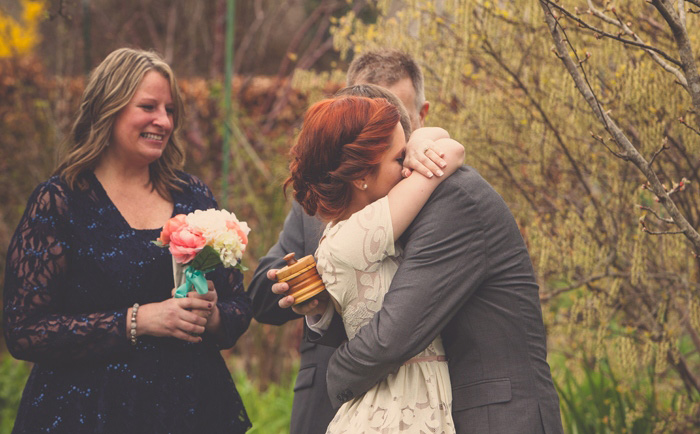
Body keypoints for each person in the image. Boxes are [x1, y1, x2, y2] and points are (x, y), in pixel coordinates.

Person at [3, 48, 252, 433]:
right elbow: (25, 330)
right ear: (109, 109)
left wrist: (212, 315)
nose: (163, 121)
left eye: (170, 110)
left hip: (186, 410)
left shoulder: (193, 196)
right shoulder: (61, 201)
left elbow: (238, 305)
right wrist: (138, 320)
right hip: (85, 412)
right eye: (148, 106)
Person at [247, 50, 439, 434]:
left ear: (420, 115)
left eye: (396, 114)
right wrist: (313, 291)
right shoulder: (320, 213)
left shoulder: (440, 193)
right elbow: (260, 292)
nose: (381, 131)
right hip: (332, 399)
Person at [285, 95, 464, 432]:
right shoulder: (357, 234)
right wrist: (425, 146)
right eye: (400, 157)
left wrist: (419, 141)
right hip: (392, 415)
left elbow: (441, 139)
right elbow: (452, 152)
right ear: (361, 176)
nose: (409, 166)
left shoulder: (352, 230)